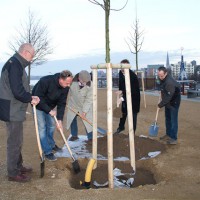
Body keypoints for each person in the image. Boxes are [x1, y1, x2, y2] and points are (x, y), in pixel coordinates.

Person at [0, 43, 40, 183]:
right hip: (12, 109)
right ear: (26, 52)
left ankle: (18, 165)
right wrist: (30, 98)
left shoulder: (16, 64)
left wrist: (30, 96)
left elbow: (19, 88)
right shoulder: (15, 65)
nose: (32, 58)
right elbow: (17, 91)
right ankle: (13, 172)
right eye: (32, 55)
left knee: (18, 140)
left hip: (14, 108)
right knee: (14, 141)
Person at [32, 70, 73, 161]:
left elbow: (62, 103)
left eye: (70, 83)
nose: (68, 85)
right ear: (61, 79)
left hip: (50, 107)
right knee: (42, 128)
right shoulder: (45, 81)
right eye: (67, 83)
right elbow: (38, 97)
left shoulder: (65, 87)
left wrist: (60, 120)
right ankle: (47, 151)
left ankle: (51, 144)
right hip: (38, 106)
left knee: (51, 126)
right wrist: (49, 110)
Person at [114, 59, 140, 134]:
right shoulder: (121, 73)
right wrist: (120, 91)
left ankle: (132, 132)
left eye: (123, 67)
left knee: (133, 116)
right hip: (125, 96)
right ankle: (121, 127)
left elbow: (132, 91)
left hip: (134, 98)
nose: (122, 69)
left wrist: (122, 97)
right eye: (121, 67)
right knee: (123, 113)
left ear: (128, 67)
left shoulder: (133, 76)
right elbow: (121, 84)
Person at [66, 70, 93, 142]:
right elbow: (65, 91)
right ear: (79, 78)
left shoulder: (91, 85)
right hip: (73, 104)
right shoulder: (71, 82)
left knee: (88, 121)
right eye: (84, 82)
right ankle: (74, 135)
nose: (85, 83)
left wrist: (84, 112)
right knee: (72, 119)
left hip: (84, 104)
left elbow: (89, 99)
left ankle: (90, 137)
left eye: (87, 82)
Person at [157, 66, 181, 145]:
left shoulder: (169, 82)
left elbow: (168, 97)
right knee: (167, 118)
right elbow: (163, 88)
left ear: (166, 73)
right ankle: (168, 134)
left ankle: (173, 138)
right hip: (168, 102)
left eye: (162, 76)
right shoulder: (163, 79)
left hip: (174, 102)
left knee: (173, 120)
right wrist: (161, 91)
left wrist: (160, 105)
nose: (160, 77)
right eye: (159, 75)